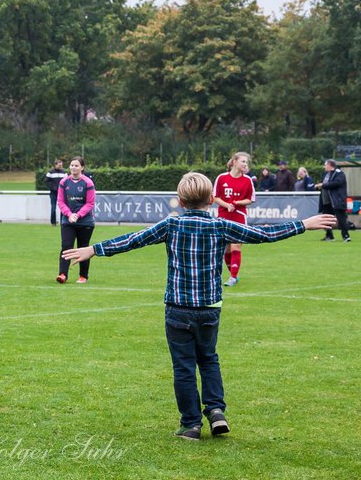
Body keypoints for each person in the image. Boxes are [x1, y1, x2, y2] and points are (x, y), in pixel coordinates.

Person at [62, 172, 337, 439]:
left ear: (180, 201)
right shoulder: (221, 225)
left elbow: (133, 240)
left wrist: (94, 249)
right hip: (209, 307)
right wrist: (303, 224)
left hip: (178, 308)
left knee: (183, 367)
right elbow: (263, 234)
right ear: (211, 200)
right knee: (208, 358)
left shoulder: (172, 224)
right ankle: (216, 411)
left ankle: (191, 424)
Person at [213, 152, 255, 286]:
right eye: (243, 161)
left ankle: (232, 277)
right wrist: (227, 205)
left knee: (236, 245)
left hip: (239, 217)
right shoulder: (221, 178)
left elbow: (250, 199)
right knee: (226, 249)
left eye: (246, 162)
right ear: (235, 162)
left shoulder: (247, 180)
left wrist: (237, 203)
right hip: (223, 217)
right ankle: (234, 274)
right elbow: (215, 197)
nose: (245, 164)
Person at [56, 156, 96, 284]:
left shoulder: (88, 183)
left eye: (76, 165)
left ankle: (83, 276)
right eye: (72, 165)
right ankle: (62, 274)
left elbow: (90, 203)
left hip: (85, 222)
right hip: (68, 221)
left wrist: (77, 215)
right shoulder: (64, 182)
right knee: (66, 246)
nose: (73, 167)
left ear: (82, 168)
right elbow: (61, 202)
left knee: (83, 248)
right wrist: (69, 215)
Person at [318, 159, 350, 242]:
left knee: (341, 219)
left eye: (325, 165)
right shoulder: (325, 174)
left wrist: (323, 185)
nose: (324, 166)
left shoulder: (339, 173)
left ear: (329, 165)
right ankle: (329, 236)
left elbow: (337, 183)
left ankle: (346, 236)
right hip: (326, 201)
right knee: (326, 219)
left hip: (336, 200)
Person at [44, 158, 65, 225]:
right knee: (53, 208)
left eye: (61, 165)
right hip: (53, 193)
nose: (61, 167)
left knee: (62, 208)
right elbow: (46, 182)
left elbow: (66, 182)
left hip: (61, 193)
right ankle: (53, 222)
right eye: (59, 165)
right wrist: (54, 188)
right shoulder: (50, 172)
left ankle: (63, 222)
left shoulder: (64, 172)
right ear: (55, 165)